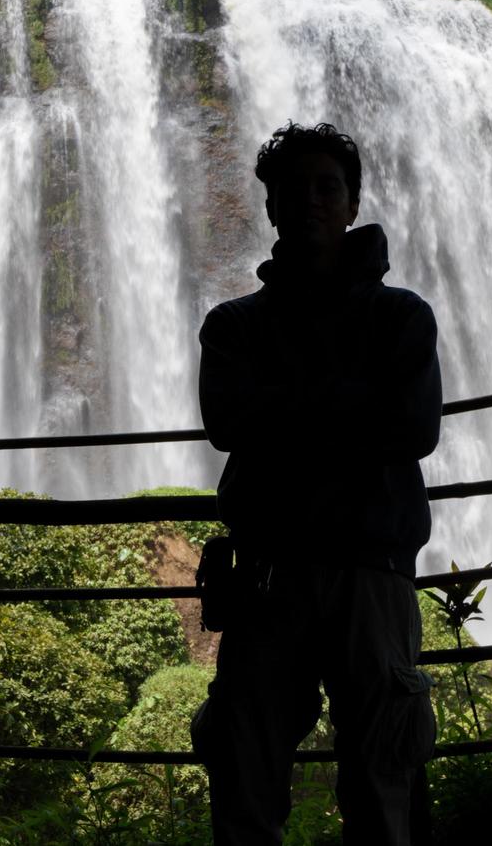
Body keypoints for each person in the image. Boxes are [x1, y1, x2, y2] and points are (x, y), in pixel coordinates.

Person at [190, 122, 442, 844]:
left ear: (353, 200)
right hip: (268, 579)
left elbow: (415, 429)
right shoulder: (231, 327)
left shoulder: (401, 316)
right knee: (245, 774)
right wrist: (357, 401)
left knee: (383, 781)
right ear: (269, 207)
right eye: (291, 190)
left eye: (326, 186)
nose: (309, 202)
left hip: (371, 573)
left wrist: (286, 413)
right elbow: (229, 423)